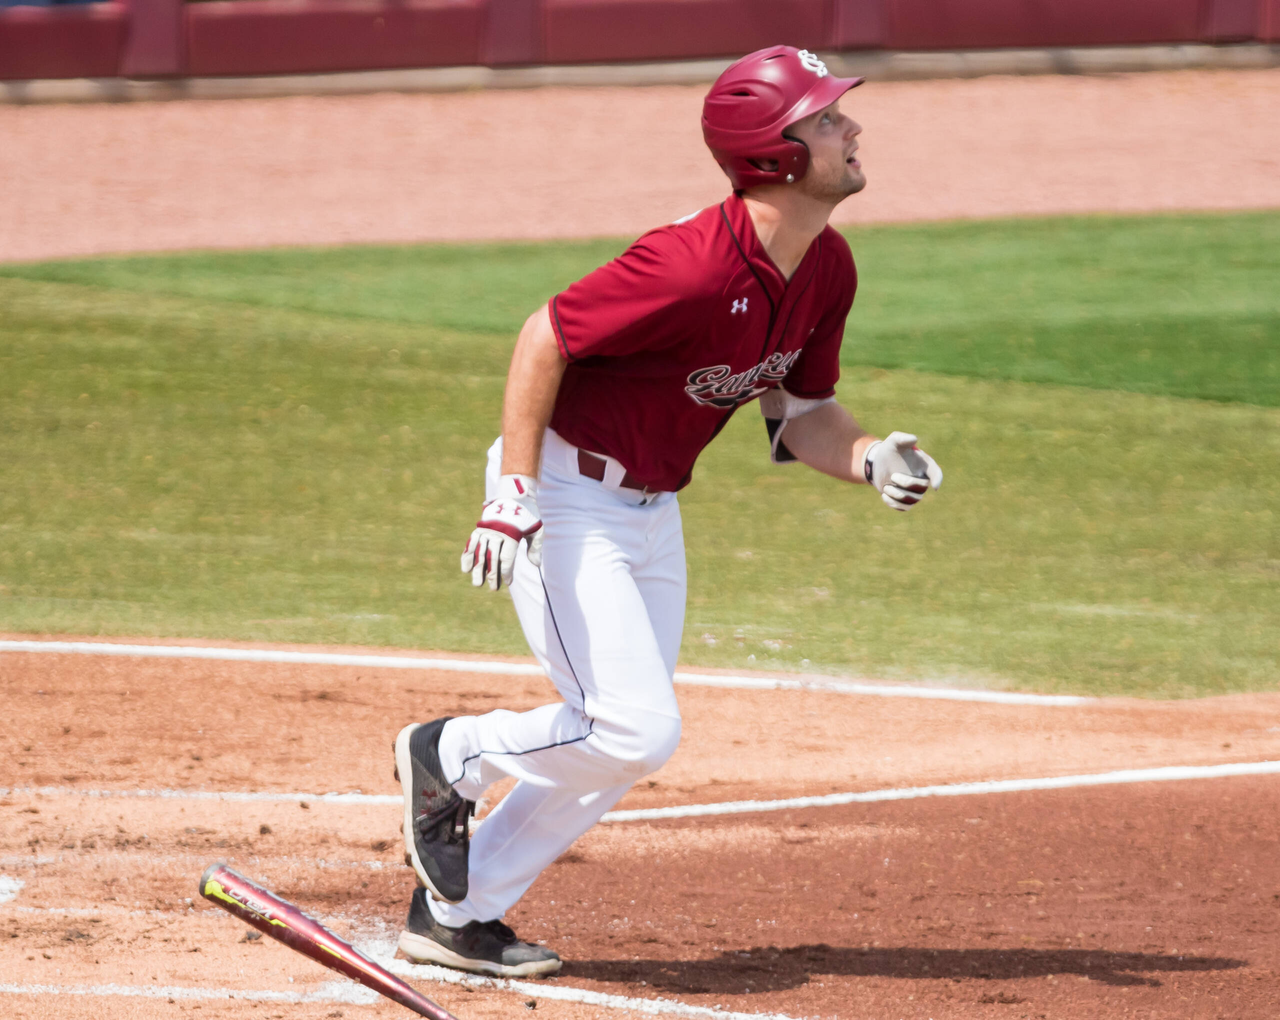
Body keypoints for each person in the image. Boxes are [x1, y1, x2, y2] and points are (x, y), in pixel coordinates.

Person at [392, 44, 943, 978]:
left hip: (651, 512)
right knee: (634, 730)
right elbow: (545, 336)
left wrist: (865, 455)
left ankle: (460, 914)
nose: (851, 128)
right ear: (775, 156)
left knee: (614, 744)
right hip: (563, 496)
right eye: (825, 120)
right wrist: (512, 491)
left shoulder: (826, 266)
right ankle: (452, 752)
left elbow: (800, 415)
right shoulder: (687, 265)